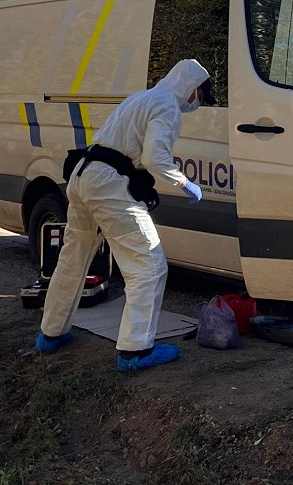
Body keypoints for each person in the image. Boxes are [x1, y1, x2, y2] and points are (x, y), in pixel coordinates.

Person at [35, 58, 214, 372]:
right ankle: (136, 350)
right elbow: (155, 157)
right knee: (149, 264)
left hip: (83, 175)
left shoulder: (141, 97)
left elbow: (124, 150)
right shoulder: (168, 107)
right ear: (190, 88)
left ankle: (51, 332)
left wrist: (138, 179)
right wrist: (185, 184)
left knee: (74, 256)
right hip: (105, 184)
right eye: (199, 96)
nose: (196, 103)